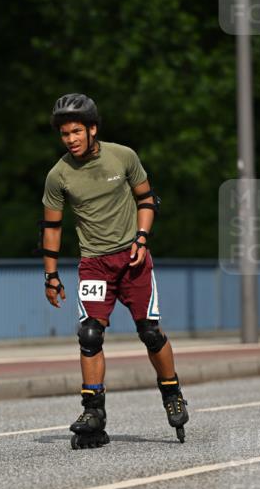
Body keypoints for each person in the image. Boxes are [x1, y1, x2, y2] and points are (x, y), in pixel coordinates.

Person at [40, 92, 189, 449]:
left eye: (76, 131)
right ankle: (93, 412)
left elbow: (147, 199)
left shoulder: (123, 156)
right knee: (89, 334)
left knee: (150, 332)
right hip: (94, 264)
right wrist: (51, 274)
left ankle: (172, 392)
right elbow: (52, 228)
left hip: (132, 259)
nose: (71, 140)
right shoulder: (58, 175)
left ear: (93, 129)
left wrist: (141, 238)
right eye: (64, 134)